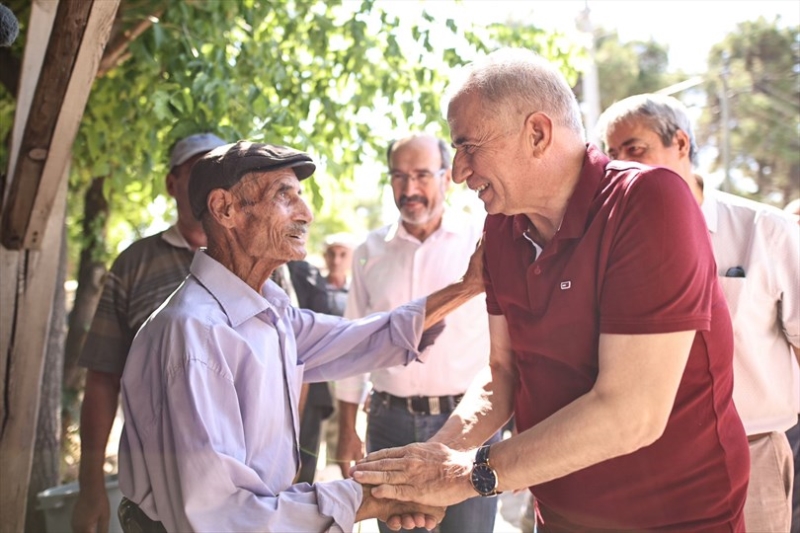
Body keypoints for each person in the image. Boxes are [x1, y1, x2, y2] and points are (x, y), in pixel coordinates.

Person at [350, 48, 749, 532]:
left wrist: (460, 475)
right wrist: (435, 459)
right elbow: (503, 373)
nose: (457, 171)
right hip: (556, 518)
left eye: (468, 146)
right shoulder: (500, 228)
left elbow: (631, 413)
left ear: (537, 133)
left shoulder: (648, 200)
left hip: (677, 521)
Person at [116, 141, 486, 532]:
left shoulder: (269, 312)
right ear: (224, 208)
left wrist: (468, 286)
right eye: (283, 195)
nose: (306, 214)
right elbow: (223, 515)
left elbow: (364, 338)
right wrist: (373, 496)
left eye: (300, 196)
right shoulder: (195, 335)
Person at [597, 93, 800, 532]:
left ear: (682, 144)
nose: (623, 165)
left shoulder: (764, 229)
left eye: (636, 149)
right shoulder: (613, 243)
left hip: (753, 450)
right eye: (613, 156)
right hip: (649, 459)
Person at [334, 133, 497, 533]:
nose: (410, 189)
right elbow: (354, 345)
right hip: (389, 423)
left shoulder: (482, 240)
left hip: (469, 423)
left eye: (422, 175)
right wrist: (345, 431)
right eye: (399, 176)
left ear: (446, 177)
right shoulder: (369, 250)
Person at [71, 132, 227, 533]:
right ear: (171, 184)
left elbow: (294, 363)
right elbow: (103, 378)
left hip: (245, 491)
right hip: (155, 493)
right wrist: (90, 487)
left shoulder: (260, 258)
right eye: (197, 171)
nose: (209, 182)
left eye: (219, 171)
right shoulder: (134, 264)